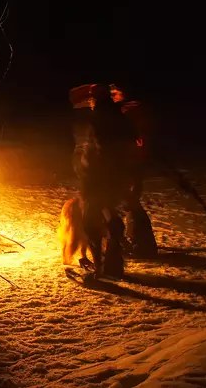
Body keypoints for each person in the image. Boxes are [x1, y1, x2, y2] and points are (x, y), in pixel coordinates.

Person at [70, 83, 136, 277]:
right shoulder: (122, 119)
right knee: (110, 213)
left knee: (91, 220)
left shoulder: (96, 119)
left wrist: (86, 165)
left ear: (94, 100)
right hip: (116, 177)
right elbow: (130, 142)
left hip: (96, 178)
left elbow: (96, 147)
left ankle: (101, 265)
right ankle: (113, 261)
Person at [110, 84, 158, 257]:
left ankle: (140, 244)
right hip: (130, 160)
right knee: (130, 202)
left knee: (130, 201)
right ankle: (141, 242)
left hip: (130, 161)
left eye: (115, 93)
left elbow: (138, 138)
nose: (112, 96)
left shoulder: (132, 111)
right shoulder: (130, 110)